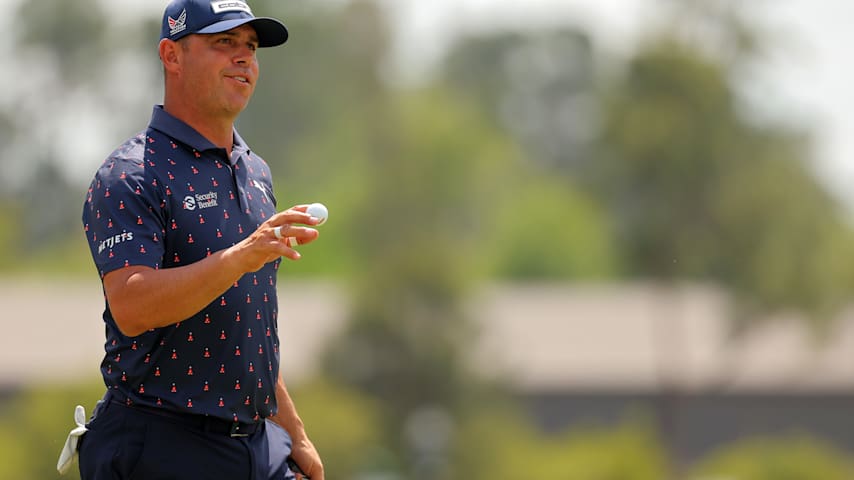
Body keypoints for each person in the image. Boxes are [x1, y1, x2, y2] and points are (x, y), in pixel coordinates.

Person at [76, 1, 324, 478]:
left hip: (256, 445)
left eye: (250, 47)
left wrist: (296, 432)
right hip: (161, 443)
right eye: (223, 43)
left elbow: (246, 328)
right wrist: (243, 256)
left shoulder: (255, 172)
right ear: (172, 56)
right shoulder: (130, 175)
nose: (244, 58)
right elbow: (133, 307)